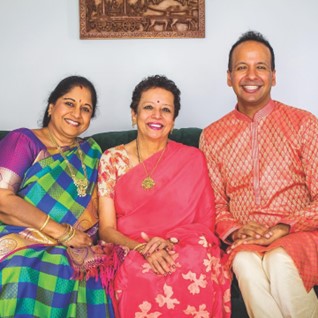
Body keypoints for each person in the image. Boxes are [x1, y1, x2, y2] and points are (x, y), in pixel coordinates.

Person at [200, 30, 318, 318]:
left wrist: (282, 227)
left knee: (279, 261)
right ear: (229, 77)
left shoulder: (304, 123)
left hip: (298, 233)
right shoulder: (212, 136)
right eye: (242, 67)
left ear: (273, 76)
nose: (251, 76)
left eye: (260, 67)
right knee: (244, 263)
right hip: (245, 237)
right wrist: (237, 230)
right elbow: (213, 203)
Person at [98, 75, 231, 317]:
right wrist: (142, 248)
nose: (157, 115)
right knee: (140, 272)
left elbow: (204, 223)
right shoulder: (112, 159)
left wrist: (170, 242)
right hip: (132, 246)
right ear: (133, 114)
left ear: (173, 119)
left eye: (165, 109)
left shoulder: (192, 159)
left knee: (195, 262)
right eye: (148, 107)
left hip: (183, 244)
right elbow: (106, 229)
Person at [0, 76, 116, 317]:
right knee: (20, 269)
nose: (77, 113)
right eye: (69, 103)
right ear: (52, 107)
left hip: (77, 244)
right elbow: (2, 198)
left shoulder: (92, 152)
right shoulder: (24, 141)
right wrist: (62, 232)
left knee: (92, 274)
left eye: (86, 109)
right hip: (23, 236)